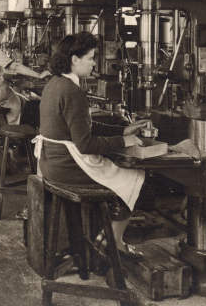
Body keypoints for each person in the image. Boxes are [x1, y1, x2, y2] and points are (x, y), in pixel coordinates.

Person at [34, 32, 145, 258]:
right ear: (75, 59)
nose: (94, 63)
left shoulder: (55, 83)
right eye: (91, 58)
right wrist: (124, 141)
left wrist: (122, 130)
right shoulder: (72, 91)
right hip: (66, 166)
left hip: (50, 162)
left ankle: (102, 235)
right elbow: (85, 144)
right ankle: (114, 241)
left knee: (119, 173)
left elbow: (82, 127)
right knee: (135, 176)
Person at [0, 20, 47, 125]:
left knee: (18, 96)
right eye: (4, 35)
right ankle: (8, 130)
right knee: (19, 101)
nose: (4, 38)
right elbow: (15, 66)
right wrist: (39, 75)